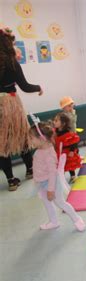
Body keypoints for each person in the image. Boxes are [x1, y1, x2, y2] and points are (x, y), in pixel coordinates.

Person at [0, 27, 43, 191]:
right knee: (22, 136)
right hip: (11, 103)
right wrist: (38, 87)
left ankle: (11, 180)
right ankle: (30, 170)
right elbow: (25, 86)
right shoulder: (13, 64)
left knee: (2, 144)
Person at [29, 121, 85, 231]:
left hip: (52, 183)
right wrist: (37, 182)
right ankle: (53, 222)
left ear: (42, 139)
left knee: (60, 202)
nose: (30, 141)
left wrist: (51, 190)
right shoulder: (39, 150)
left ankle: (77, 219)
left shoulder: (49, 154)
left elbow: (52, 173)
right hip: (41, 183)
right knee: (47, 203)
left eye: (31, 138)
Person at [53, 112, 81, 183]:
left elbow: (74, 142)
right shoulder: (55, 132)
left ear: (63, 123)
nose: (54, 122)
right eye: (54, 120)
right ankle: (61, 177)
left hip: (67, 152)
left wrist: (72, 151)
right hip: (59, 151)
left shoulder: (68, 133)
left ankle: (73, 176)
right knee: (60, 164)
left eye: (56, 121)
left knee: (69, 163)